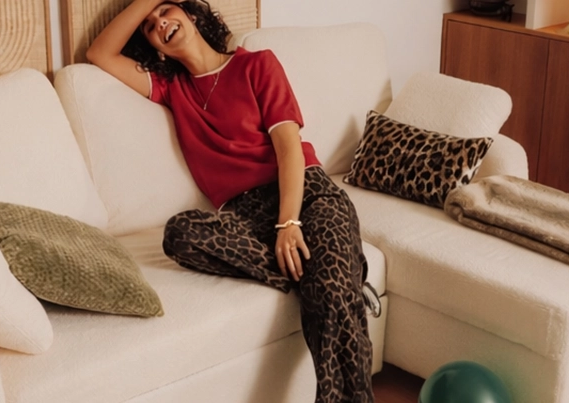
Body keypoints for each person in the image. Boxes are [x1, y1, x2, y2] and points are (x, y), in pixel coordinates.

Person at [87, 1, 376, 401]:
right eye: (151, 26)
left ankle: (332, 279)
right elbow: (99, 54)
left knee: (327, 294)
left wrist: (288, 222)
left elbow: (289, 149)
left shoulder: (257, 65)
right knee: (181, 233)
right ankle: (337, 273)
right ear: (155, 48)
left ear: (191, 15)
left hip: (306, 193)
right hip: (244, 213)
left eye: (167, 10)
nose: (161, 23)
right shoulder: (173, 89)